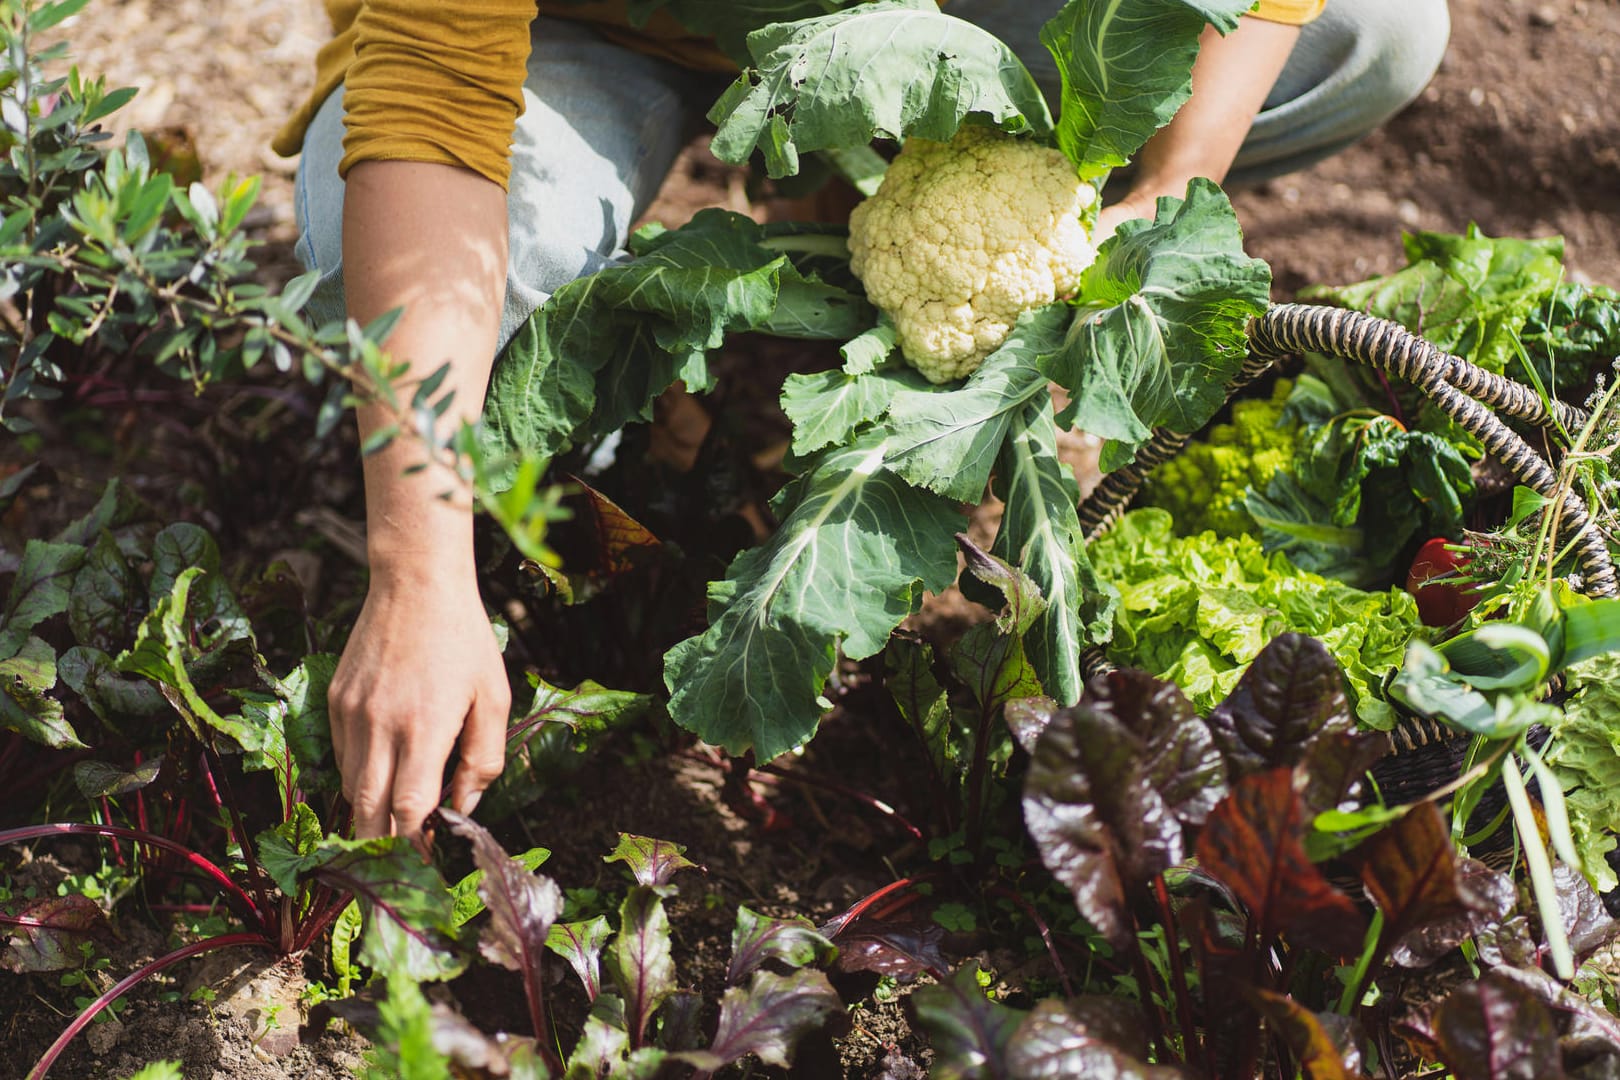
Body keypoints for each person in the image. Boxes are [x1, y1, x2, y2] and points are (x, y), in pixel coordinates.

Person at [274, 0, 1451, 846]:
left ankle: (840, 194)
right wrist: (416, 573)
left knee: (1374, 33)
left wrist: (1152, 201)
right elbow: (430, 100)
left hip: (921, 20)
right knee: (456, 279)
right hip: (585, 29)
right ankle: (626, 390)